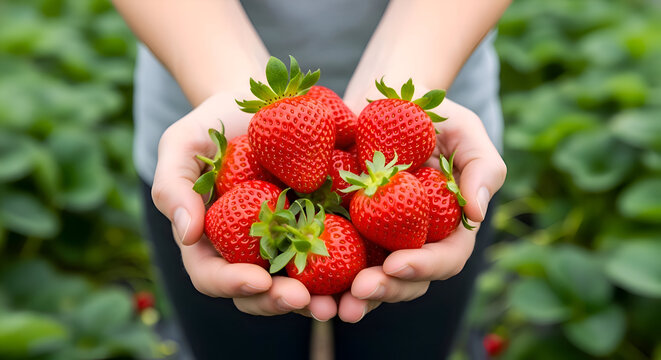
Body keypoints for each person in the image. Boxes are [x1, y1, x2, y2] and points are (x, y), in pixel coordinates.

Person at [113, 1, 509, 359]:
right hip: (197, 93)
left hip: (438, 99)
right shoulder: (251, 161)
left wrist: (409, 74)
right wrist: (227, 87)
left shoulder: (401, 169)